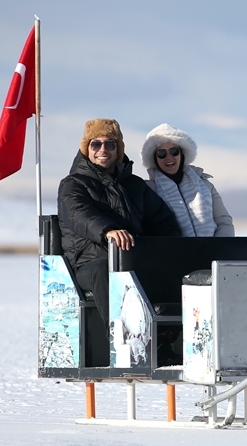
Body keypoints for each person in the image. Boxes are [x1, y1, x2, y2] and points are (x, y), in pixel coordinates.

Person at [58, 119, 181, 334]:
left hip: (133, 259)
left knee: (172, 265)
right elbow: (77, 213)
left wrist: (164, 249)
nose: (103, 149)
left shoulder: (135, 186)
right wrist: (107, 230)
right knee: (102, 269)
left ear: (118, 149)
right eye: (96, 144)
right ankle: (122, 341)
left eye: (110, 144)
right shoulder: (73, 184)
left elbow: (163, 220)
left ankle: (168, 342)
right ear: (87, 148)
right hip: (90, 263)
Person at [140, 123, 235, 237]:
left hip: (212, 252)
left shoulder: (206, 185)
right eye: (161, 153)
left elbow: (224, 222)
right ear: (154, 159)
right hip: (174, 253)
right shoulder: (148, 191)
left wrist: (217, 250)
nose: (169, 157)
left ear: (182, 153)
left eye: (174, 151)